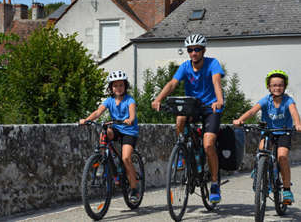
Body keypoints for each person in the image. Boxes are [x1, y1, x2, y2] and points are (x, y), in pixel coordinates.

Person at [151, 34, 225, 203]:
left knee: (208, 145)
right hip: (193, 106)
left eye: (197, 49)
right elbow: (172, 84)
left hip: (210, 107)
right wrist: (158, 99)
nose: (193, 53)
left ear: (203, 50)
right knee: (179, 119)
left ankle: (214, 184)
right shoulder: (185, 67)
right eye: (190, 50)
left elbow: (216, 82)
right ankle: (183, 152)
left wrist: (219, 100)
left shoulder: (212, 64)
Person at [233, 70, 301, 204]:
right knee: (261, 151)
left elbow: (294, 112)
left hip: (284, 132)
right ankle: (260, 174)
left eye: (280, 85)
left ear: (285, 86)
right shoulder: (266, 100)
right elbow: (252, 111)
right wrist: (240, 120)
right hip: (268, 132)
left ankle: (286, 190)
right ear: (269, 87)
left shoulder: (288, 100)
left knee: (282, 157)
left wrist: (298, 124)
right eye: (274, 85)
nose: (277, 88)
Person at [79, 70, 140, 203]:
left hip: (129, 131)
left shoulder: (130, 100)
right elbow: (98, 112)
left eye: (121, 85)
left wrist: (130, 119)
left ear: (125, 86)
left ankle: (134, 189)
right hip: (116, 128)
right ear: (111, 88)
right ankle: (103, 159)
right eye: (115, 86)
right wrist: (86, 120)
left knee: (126, 158)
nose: (118, 88)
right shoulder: (109, 101)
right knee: (105, 132)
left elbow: (132, 114)